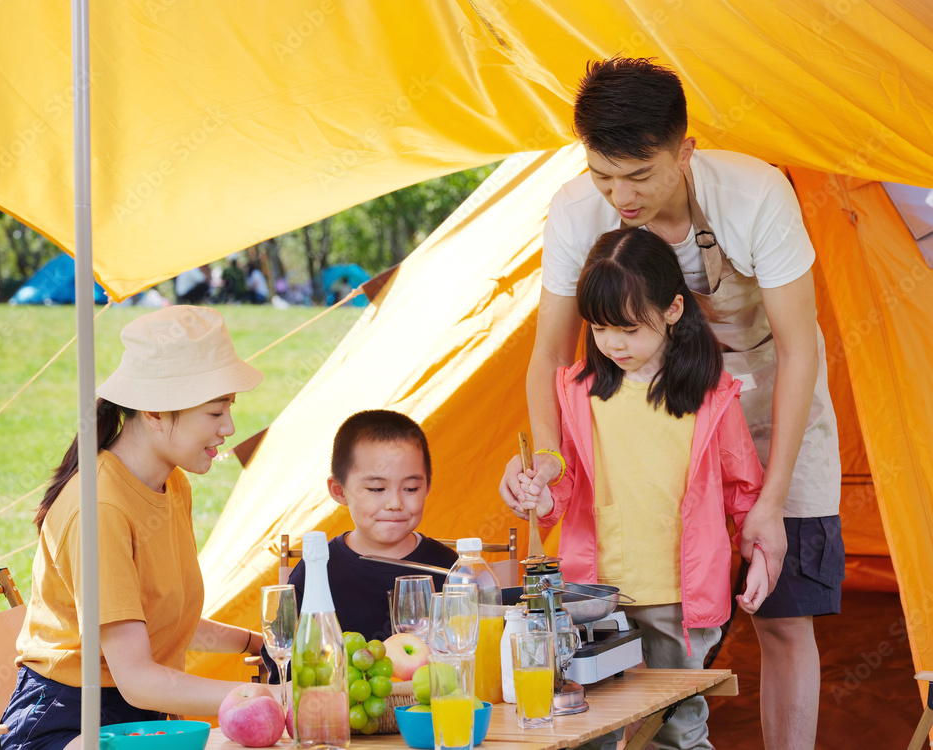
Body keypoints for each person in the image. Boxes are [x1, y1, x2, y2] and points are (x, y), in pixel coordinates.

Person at [499, 58, 843, 749]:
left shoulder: (757, 195)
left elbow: (800, 348)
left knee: (782, 613)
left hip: (775, 401)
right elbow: (550, 356)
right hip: (648, 419)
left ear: (685, 150)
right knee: (639, 603)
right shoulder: (574, 209)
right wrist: (546, 458)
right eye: (603, 174)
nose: (619, 195)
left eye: (640, 174)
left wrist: (770, 502)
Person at [514, 227, 768, 750]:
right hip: (593, 595)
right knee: (589, 727)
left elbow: (743, 488)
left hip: (681, 595)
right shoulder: (580, 391)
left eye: (628, 328)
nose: (613, 344)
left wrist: (760, 551)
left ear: (674, 309)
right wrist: (539, 496)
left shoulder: (713, 395)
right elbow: (564, 483)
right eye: (601, 328)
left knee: (678, 728)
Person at [0, 306, 269, 750]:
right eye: (215, 412)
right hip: (68, 719)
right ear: (154, 412)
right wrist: (262, 696)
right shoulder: (100, 507)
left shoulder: (172, 483)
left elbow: (162, 620)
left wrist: (257, 646)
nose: (229, 427)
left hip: (145, 712)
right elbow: (138, 678)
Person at [285, 410, 457, 641]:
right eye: (376, 489)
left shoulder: (448, 567)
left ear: (427, 487)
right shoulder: (317, 570)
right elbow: (285, 665)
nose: (395, 504)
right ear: (339, 490)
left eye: (411, 489)